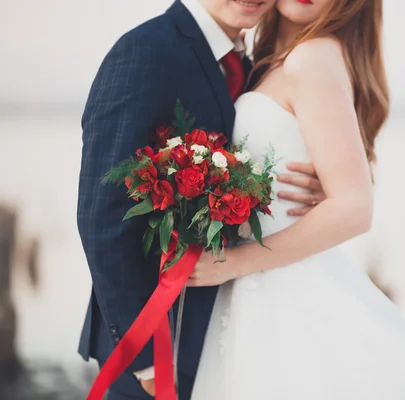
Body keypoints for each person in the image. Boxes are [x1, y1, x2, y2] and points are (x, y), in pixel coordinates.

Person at [188, 0, 405, 398]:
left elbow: (354, 208)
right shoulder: (268, 61)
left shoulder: (312, 58)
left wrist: (234, 262)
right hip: (258, 292)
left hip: (281, 289)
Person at [76, 1, 325, 398]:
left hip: (232, 334)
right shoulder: (145, 51)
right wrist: (144, 360)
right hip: (158, 340)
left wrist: (309, 184)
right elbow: (101, 217)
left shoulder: (252, 62)